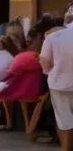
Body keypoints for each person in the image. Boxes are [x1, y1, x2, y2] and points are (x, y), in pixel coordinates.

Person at [40, 11, 73, 149]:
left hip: (60, 84)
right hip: (61, 83)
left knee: (64, 122)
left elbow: (45, 64)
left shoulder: (53, 37)